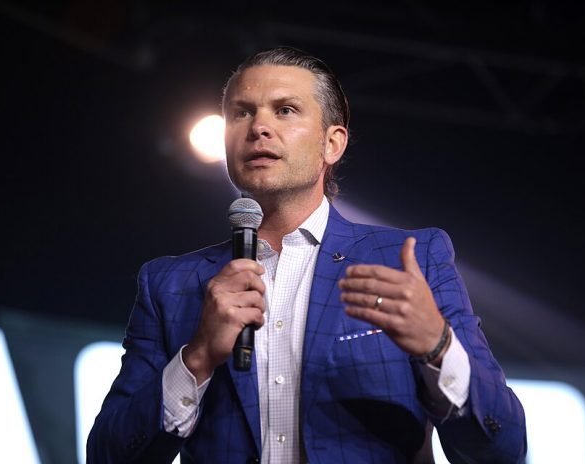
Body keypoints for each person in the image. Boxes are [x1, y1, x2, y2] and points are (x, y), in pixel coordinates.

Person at [87, 46, 526, 463]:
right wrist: (197, 358)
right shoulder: (169, 284)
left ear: (332, 143)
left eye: (285, 110)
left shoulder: (412, 259)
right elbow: (107, 454)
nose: (258, 127)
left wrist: (438, 347)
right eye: (241, 112)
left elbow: (503, 448)